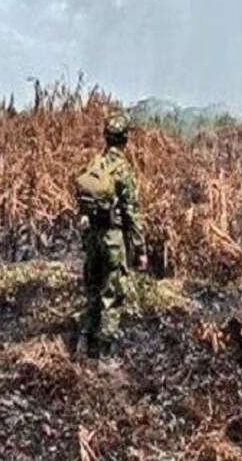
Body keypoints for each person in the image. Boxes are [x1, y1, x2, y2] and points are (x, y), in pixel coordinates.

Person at [74, 112, 147, 359]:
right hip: (113, 238)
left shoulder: (95, 162)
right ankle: (105, 352)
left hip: (92, 235)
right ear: (125, 138)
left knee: (92, 288)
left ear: (106, 137)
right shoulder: (123, 169)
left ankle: (83, 342)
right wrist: (140, 249)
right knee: (112, 293)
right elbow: (132, 212)